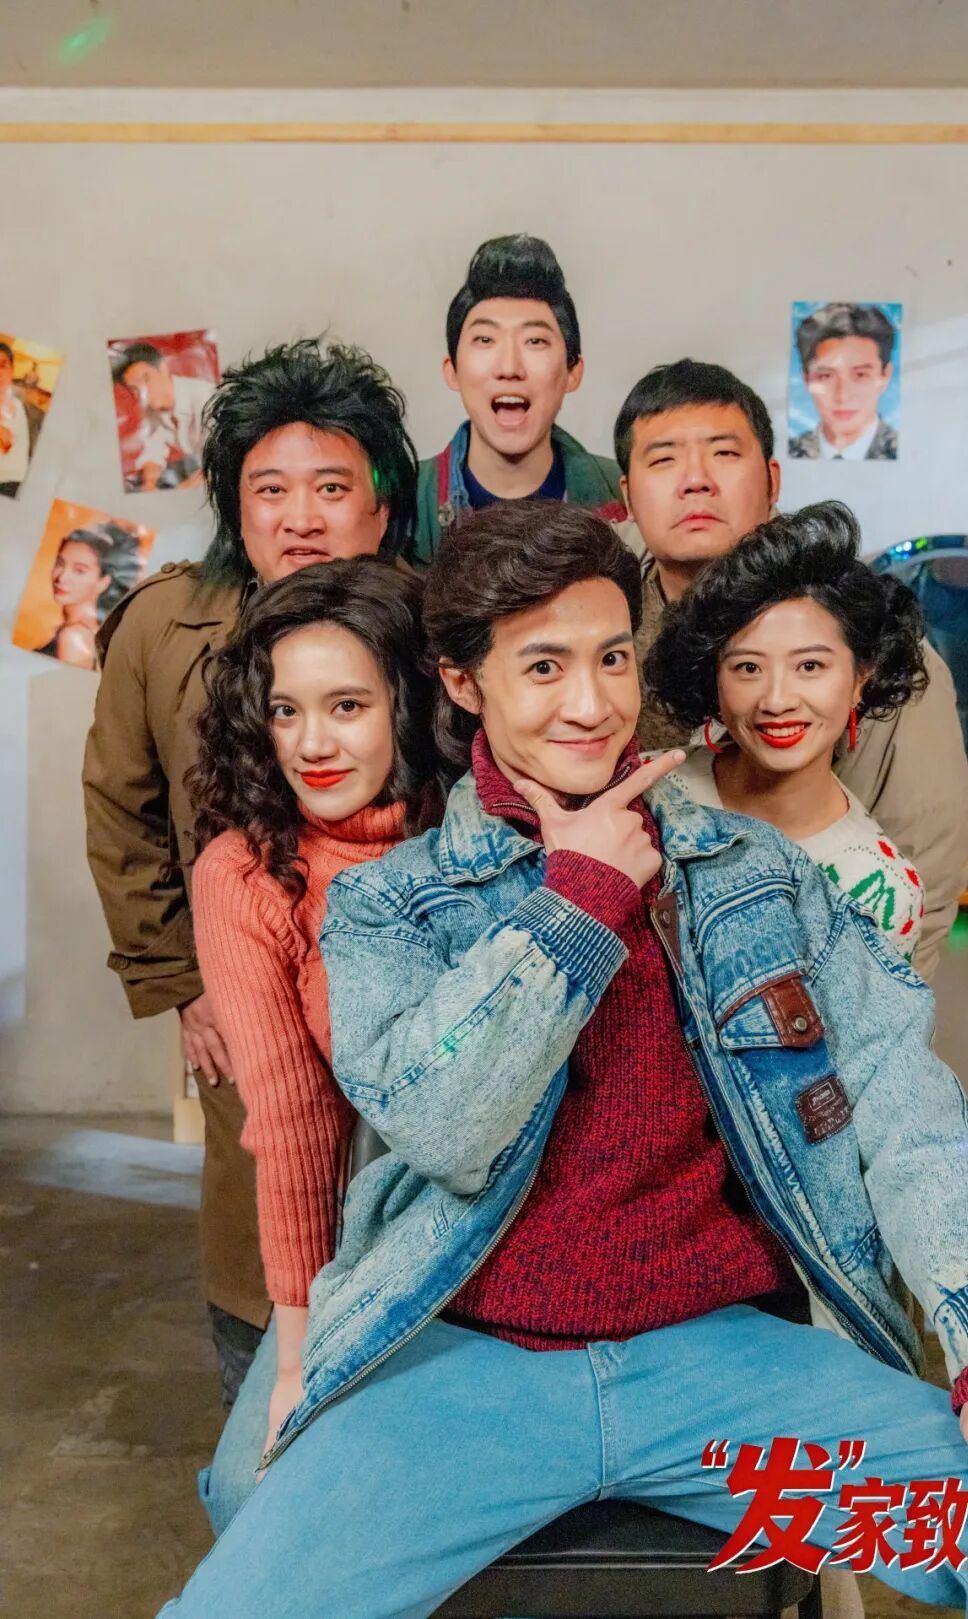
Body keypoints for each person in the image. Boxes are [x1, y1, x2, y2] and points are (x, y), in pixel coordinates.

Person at [158, 501, 968, 1619]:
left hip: (728, 1378)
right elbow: (444, 1125)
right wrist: (578, 906)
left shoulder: (755, 875)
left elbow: (909, 1108)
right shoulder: (392, 903)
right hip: (465, 1375)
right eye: (544, 665)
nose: (591, 704)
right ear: (463, 682)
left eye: (611, 658)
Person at [82, 338, 419, 1405]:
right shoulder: (161, 625)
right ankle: (267, 1399)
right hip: (240, 990)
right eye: (270, 489)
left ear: (380, 508)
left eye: (331, 487)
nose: (300, 516)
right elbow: (123, 809)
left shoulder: (439, 628)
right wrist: (182, 983)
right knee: (267, 1199)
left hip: (418, 1003)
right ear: (237, 506)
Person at [188, 556, 440, 1485]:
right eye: (285, 710)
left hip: (531, 1237)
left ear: (408, 703)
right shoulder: (246, 874)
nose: (311, 743)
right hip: (367, 1251)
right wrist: (298, 1360)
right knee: (247, 1490)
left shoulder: (477, 831)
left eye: (347, 705)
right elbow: (294, 1123)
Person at [615, 358, 968, 979]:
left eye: (724, 453)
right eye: (664, 458)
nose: (695, 481)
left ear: (772, 479)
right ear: (626, 496)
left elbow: (926, 873)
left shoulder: (868, 642)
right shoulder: (603, 633)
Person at [647, 502, 927, 959]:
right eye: (748, 667)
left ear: (862, 677)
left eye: (810, 666)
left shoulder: (881, 892)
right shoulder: (647, 793)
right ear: (713, 678)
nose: (776, 701)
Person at [407, 233, 625, 568]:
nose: (509, 367)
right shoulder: (404, 503)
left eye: (535, 341)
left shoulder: (624, 494)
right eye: (485, 339)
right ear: (453, 371)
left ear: (573, 372)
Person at [788, 303, 899, 461]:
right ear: (806, 378)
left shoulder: (907, 450)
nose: (843, 396)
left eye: (861, 375)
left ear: (885, 376)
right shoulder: (787, 452)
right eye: (826, 376)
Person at [112, 342, 217, 491]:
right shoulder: (152, 409)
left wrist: (180, 491)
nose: (143, 393)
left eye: (146, 379)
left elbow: (222, 463)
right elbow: (154, 448)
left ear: (163, 369)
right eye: (135, 389)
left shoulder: (206, 399)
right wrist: (149, 483)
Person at [38, 522, 145, 669]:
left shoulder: (73, 638)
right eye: (60, 563)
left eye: (79, 570)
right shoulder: (91, 633)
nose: (62, 577)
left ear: (103, 582)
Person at [0, 341, 35, 497]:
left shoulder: (19, 406)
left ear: (12, 370)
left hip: (15, 483)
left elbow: (6, 442)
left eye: (3, 366)